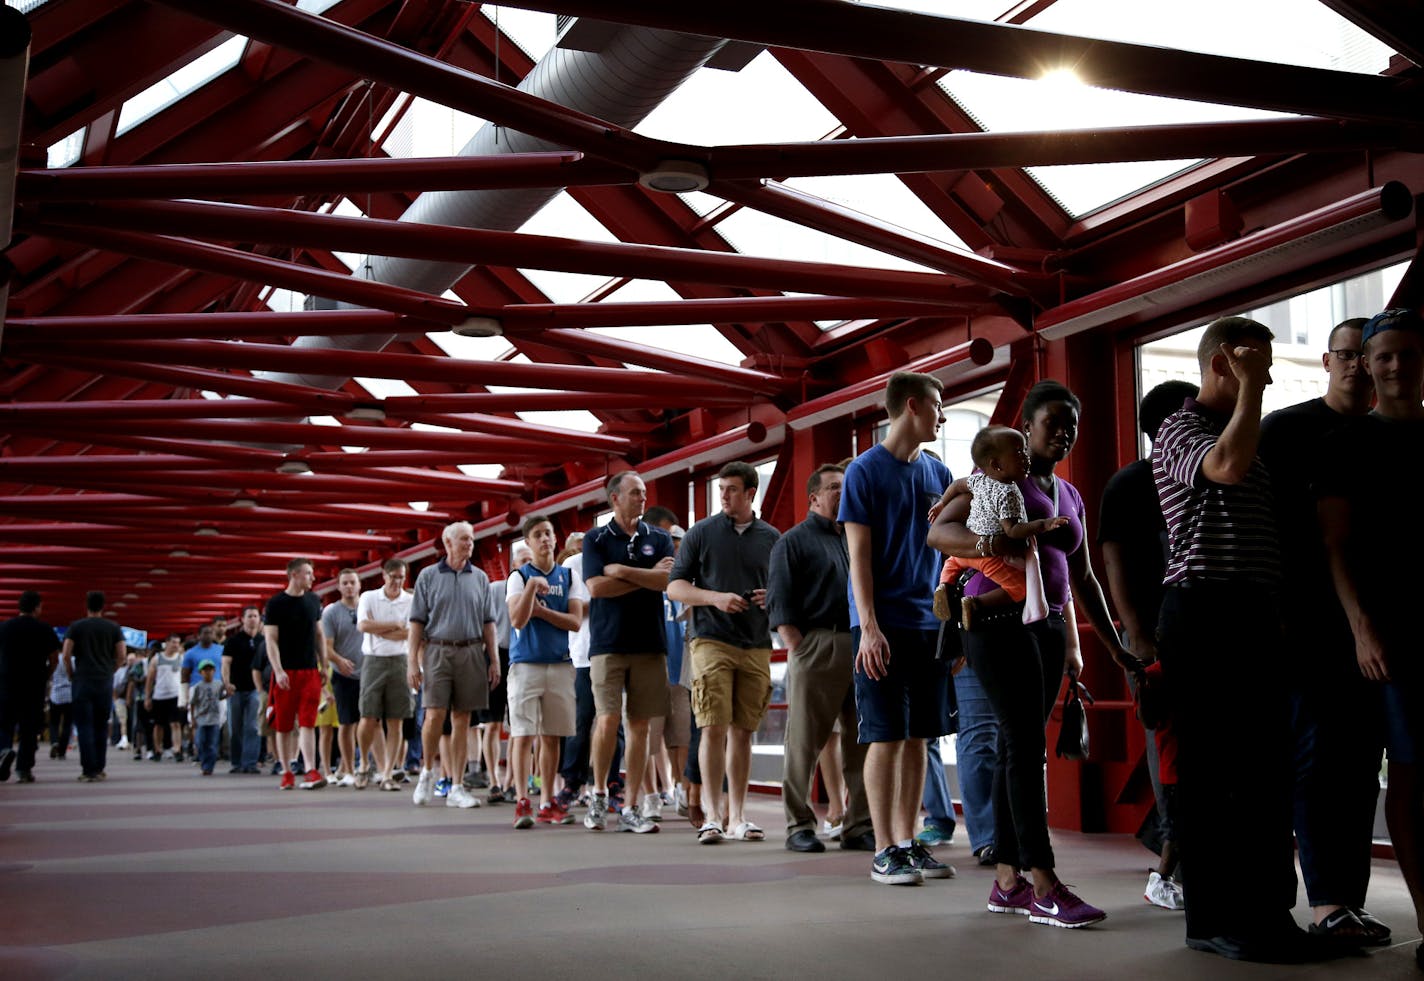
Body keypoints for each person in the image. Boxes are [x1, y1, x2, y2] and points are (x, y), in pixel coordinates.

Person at [1154, 317, 1332, 961]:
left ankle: (1264, 915)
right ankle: (1218, 918)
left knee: (1263, 771)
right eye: (1256, 360)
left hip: (1249, 611)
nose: (1270, 372)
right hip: (1203, 610)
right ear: (1222, 363)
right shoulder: (1180, 427)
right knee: (1217, 773)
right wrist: (1253, 387)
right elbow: (1223, 469)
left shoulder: (1248, 437)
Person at [930, 379, 1137, 925]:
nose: (1064, 433)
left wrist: (1110, 646)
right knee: (1022, 744)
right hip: (993, 621)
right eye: (1053, 423)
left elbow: (1083, 576)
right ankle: (1042, 879)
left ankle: (1006, 881)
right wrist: (994, 543)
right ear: (1025, 429)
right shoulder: (989, 480)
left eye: (1072, 424)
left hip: (1043, 626)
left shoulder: (1067, 495)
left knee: (1016, 746)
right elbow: (939, 534)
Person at [1260, 318, 1387, 943]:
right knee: (1314, 760)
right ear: (1327, 362)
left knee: (1362, 764)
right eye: (1346, 355)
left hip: (1376, 621)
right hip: (1305, 619)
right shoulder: (1284, 430)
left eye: (1366, 356)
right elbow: (1265, 528)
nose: (1356, 367)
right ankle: (1321, 904)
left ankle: (1346, 901)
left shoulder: (1385, 433)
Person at [1319, 307, 1424, 966]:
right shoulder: (1348, 443)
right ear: (1364, 361)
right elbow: (1335, 545)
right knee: (1413, 775)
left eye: (1406, 354)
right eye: (1380, 355)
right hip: (1395, 632)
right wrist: (1361, 629)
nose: (1391, 365)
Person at [840, 371, 956, 885]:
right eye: (938, 405)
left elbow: (953, 556)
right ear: (912, 406)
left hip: (928, 624)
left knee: (920, 738)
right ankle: (884, 849)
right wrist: (868, 627)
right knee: (885, 737)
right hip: (881, 626)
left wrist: (953, 625)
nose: (943, 415)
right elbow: (858, 557)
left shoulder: (939, 472)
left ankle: (909, 843)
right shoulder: (864, 472)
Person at [1099, 378, 1199, 910]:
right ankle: (1169, 862)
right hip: (1149, 631)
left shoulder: (1192, 475)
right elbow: (1112, 560)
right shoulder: (1130, 484)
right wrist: (1133, 630)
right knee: (1167, 748)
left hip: (1195, 626)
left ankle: (1171, 848)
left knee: (1187, 744)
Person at [668, 461, 781, 844]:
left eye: (732, 490)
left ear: (751, 493)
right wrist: (714, 598)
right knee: (712, 726)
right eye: (721, 490)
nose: (724, 497)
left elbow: (786, 591)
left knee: (743, 731)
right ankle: (712, 816)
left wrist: (774, 598)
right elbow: (675, 588)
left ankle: (738, 817)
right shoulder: (701, 533)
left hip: (756, 643)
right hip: (710, 639)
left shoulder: (772, 538)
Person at [768, 462, 873, 854]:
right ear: (814, 497)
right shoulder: (792, 542)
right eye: (834, 488)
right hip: (817, 645)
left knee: (863, 741)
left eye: (845, 487)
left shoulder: (854, 537)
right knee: (804, 742)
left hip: (861, 645)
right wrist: (801, 647)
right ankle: (799, 825)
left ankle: (858, 825)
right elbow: (779, 604)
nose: (842, 494)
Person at [581, 471, 672, 835]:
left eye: (644, 492)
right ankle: (600, 793)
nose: (642, 498)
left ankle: (632, 805)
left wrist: (622, 571)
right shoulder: (596, 538)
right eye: (635, 493)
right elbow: (596, 588)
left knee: (640, 726)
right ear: (614, 498)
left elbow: (667, 581)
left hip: (650, 643)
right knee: (606, 720)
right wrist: (644, 575)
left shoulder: (660, 537)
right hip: (607, 644)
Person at [407, 521, 499, 809]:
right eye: (463, 540)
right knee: (434, 714)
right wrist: (412, 662)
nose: (469, 544)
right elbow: (416, 623)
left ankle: (457, 786)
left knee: (463, 719)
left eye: (471, 539)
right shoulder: (428, 576)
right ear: (447, 543)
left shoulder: (480, 577)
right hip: (437, 651)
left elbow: (489, 623)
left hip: (472, 651)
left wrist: (493, 659)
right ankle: (427, 772)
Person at [933, 426, 1066, 624]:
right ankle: (975, 604)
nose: (1026, 457)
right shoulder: (1008, 493)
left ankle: (943, 587)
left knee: (949, 567)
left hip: (960, 556)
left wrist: (942, 503)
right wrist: (1042, 525)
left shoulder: (978, 480)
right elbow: (1012, 530)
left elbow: (955, 485)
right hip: (989, 558)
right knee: (1020, 589)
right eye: (1019, 453)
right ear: (996, 465)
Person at [506, 515, 588, 828]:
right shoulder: (518, 576)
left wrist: (542, 611)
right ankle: (521, 800)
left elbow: (574, 621)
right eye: (538, 535)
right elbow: (517, 619)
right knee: (523, 733)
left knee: (552, 736)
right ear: (528, 542)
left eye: (549, 534)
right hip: (526, 662)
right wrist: (530, 591)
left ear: (555, 539)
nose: (545, 539)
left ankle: (547, 801)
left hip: (560, 662)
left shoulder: (569, 577)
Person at [264, 557, 330, 791]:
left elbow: (319, 635)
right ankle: (287, 771)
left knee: (307, 722)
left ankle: (310, 769)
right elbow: (271, 640)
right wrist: (278, 670)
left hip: (310, 671)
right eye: (308, 573)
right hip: (286, 672)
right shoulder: (275, 604)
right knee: (283, 724)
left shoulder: (314, 601)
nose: (312, 577)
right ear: (294, 575)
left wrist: (323, 666)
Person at [356, 558, 414, 792]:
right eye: (393, 577)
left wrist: (380, 629)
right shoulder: (369, 597)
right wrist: (393, 625)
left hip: (401, 661)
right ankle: (362, 764)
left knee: (396, 720)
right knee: (368, 716)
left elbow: (410, 633)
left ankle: (388, 772)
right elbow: (363, 626)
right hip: (374, 661)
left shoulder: (411, 600)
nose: (397, 582)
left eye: (401, 577)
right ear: (384, 576)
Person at [63, 590, 126, 782]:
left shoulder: (76, 627)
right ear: (103, 606)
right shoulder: (114, 628)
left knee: (84, 726)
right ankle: (99, 767)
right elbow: (122, 655)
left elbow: (66, 654)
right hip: (104, 682)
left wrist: (71, 674)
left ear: (87, 605)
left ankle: (88, 770)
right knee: (100, 726)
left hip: (82, 681)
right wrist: (111, 670)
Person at [482, 544, 528, 803]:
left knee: (518, 726)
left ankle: (511, 780)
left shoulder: (538, 590)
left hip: (524, 657)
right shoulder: (495, 589)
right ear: (513, 566)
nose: (525, 566)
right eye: (521, 561)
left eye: (528, 561)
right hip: (496, 654)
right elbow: (482, 623)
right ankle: (493, 781)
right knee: (492, 723)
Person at [0, 590, 61, 783]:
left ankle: (4, 750)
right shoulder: (44, 629)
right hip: (33, 686)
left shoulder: (4, 627)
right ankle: (24, 769)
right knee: (29, 728)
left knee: (4, 723)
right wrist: (46, 675)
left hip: (6, 684)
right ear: (36, 607)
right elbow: (54, 658)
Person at [321, 569, 365, 787]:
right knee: (346, 724)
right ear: (339, 587)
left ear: (359, 585)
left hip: (368, 673)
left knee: (369, 722)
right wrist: (339, 661)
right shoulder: (331, 613)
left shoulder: (367, 607)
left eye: (352, 582)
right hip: (343, 675)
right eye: (345, 583)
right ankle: (348, 769)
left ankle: (366, 766)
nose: (349, 586)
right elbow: (326, 647)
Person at [221, 606, 264, 774]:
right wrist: (227, 683)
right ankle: (237, 762)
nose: (253, 619)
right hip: (236, 689)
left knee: (253, 726)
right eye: (249, 616)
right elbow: (226, 663)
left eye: (255, 616)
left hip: (255, 689)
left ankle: (251, 762)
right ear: (242, 619)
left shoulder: (263, 641)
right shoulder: (233, 640)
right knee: (235, 727)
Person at [145, 635, 184, 760]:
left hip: (175, 695)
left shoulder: (181, 659)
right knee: (158, 725)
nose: (176, 645)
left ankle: (177, 749)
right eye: (173, 642)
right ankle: (157, 750)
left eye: (178, 643)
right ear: (166, 643)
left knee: (176, 724)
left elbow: (184, 678)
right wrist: (147, 697)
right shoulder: (157, 659)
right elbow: (150, 679)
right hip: (159, 696)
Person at [190, 660, 226, 776]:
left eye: (210, 670)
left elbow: (221, 697)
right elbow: (193, 703)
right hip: (202, 718)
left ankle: (208, 767)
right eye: (205, 670)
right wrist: (193, 718)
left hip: (214, 719)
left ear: (214, 671)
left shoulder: (218, 684)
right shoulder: (198, 687)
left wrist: (228, 693)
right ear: (201, 672)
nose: (208, 672)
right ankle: (204, 762)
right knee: (201, 742)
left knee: (212, 744)